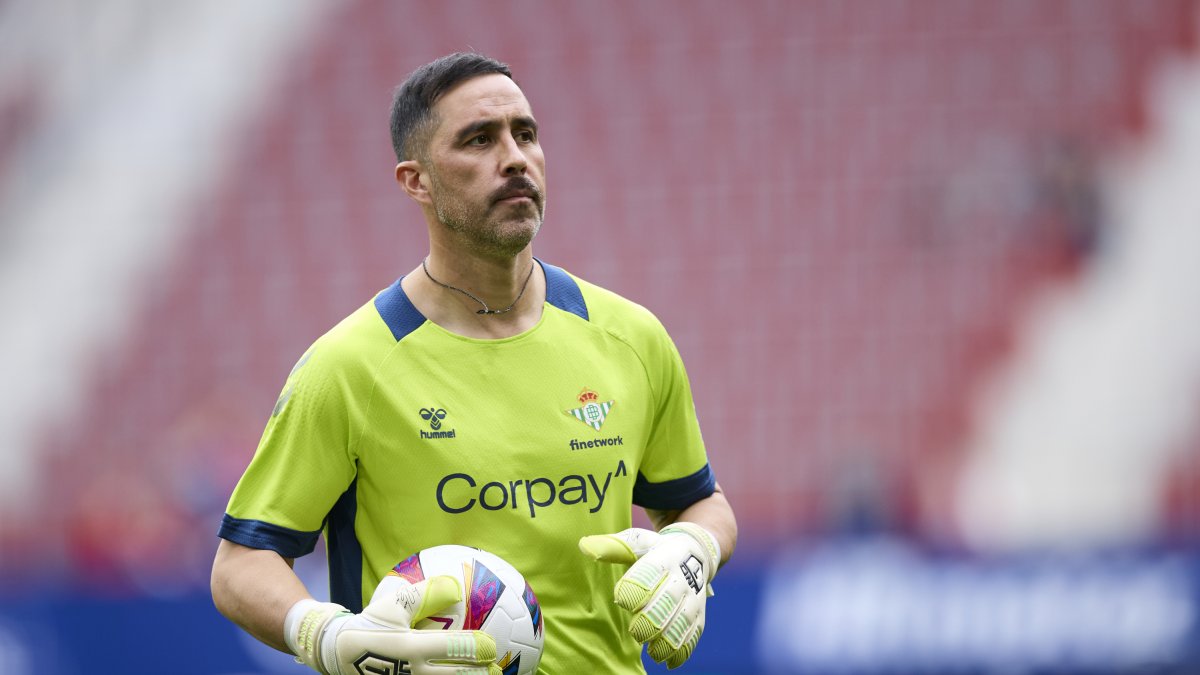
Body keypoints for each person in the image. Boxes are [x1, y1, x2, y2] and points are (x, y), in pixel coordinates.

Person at [211, 52, 737, 674]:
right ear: (417, 180)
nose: (515, 157)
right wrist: (324, 636)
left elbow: (701, 502)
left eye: (527, 134)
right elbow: (241, 562)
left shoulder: (632, 338)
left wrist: (691, 550)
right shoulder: (349, 368)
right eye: (479, 140)